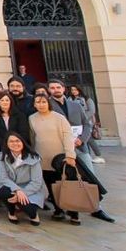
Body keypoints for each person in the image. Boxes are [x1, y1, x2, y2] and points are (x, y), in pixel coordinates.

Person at [29, 93, 80, 224]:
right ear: (34, 104)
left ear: (48, 103)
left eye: (43, 102)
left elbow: (67, 136)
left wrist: (70, 155)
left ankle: (74, 212)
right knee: (51, 185)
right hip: (43, 158)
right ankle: (58, 209)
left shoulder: (59, 118)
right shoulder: (32, 118)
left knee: (68, 184)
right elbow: (32, 138)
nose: (41, 105)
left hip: (61, 157)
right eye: (38, 102)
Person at [47, 80, 95, 175]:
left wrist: (82, 139)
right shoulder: (47, 107)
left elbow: (86, 124)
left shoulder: (76, 105)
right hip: (60, 148)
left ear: (63, 89)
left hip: (79, 146)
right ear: (48, 90)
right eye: (52, 88)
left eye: (58, 87)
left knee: (90, 174)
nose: (56, 90)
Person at [0, 133, 45, 225]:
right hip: (12, 186)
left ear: (22, 142)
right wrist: (17, 190)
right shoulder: (1, 156)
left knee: (30, 210)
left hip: (30, 189)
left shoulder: (33, 157)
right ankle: (11, 212)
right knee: (4, 191)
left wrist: (23, 193)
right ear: (6, 144)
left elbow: (36, 182)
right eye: (11, 141)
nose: (15, 144)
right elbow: (3, 177)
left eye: (17, 141)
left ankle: (33, 215)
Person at [70, 85, 104, 163]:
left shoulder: (87, 99)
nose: (73, 91)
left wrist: (83, 118)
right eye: (72, 90)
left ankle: (98, 155)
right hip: (76, 123)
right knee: (85, 140)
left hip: (86, 123)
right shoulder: (70, 99)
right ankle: (88, 155)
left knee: (89, 139)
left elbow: (92, 111)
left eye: (75, 89)